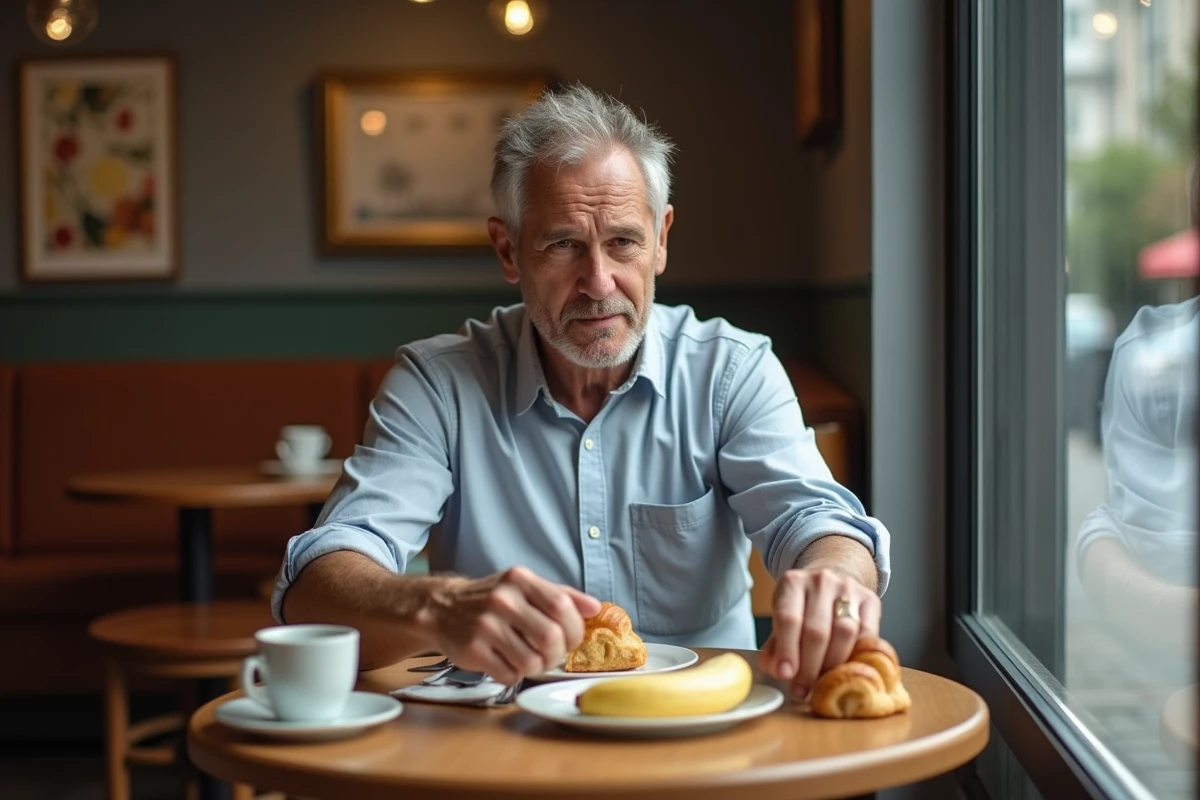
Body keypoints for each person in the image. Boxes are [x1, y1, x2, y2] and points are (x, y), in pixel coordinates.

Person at [273, 85, 891, 702]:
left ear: (662, 238)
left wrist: (832, 577)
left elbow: (817, 522)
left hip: (701, 736)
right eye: (563, 244)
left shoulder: (732, 370)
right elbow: (320, 579)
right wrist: (441, 604)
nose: (598, 283)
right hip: (503, 744)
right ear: (508, 250)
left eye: (623, 241)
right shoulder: (436, 386)